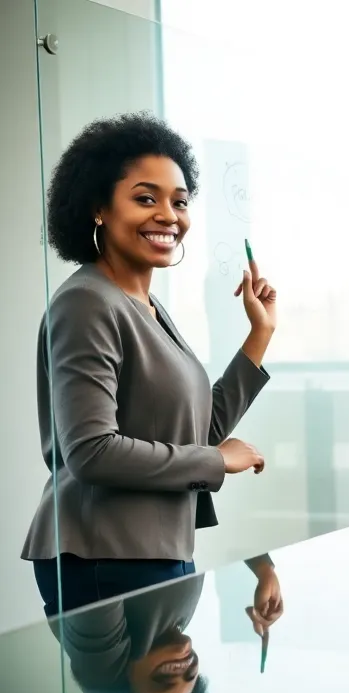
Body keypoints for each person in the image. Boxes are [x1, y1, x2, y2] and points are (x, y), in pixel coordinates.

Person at [20, 112, 277, 609]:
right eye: (145, 198)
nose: (168, 215)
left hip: (155, 551)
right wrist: (218, 461)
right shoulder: (87, 302)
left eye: (178, 202)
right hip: (100, 556)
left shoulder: (145, 307)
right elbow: (92, 451)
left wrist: (259, 335)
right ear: (99, 208)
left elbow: (193, 429)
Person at [50, 554, 282, 693]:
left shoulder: (105, 666)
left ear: (119, 676)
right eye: (191, 674)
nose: (184, 667)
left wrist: (103, 672)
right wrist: (264, 570)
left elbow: (93, 580)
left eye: (163, 678)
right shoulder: (180, 619)